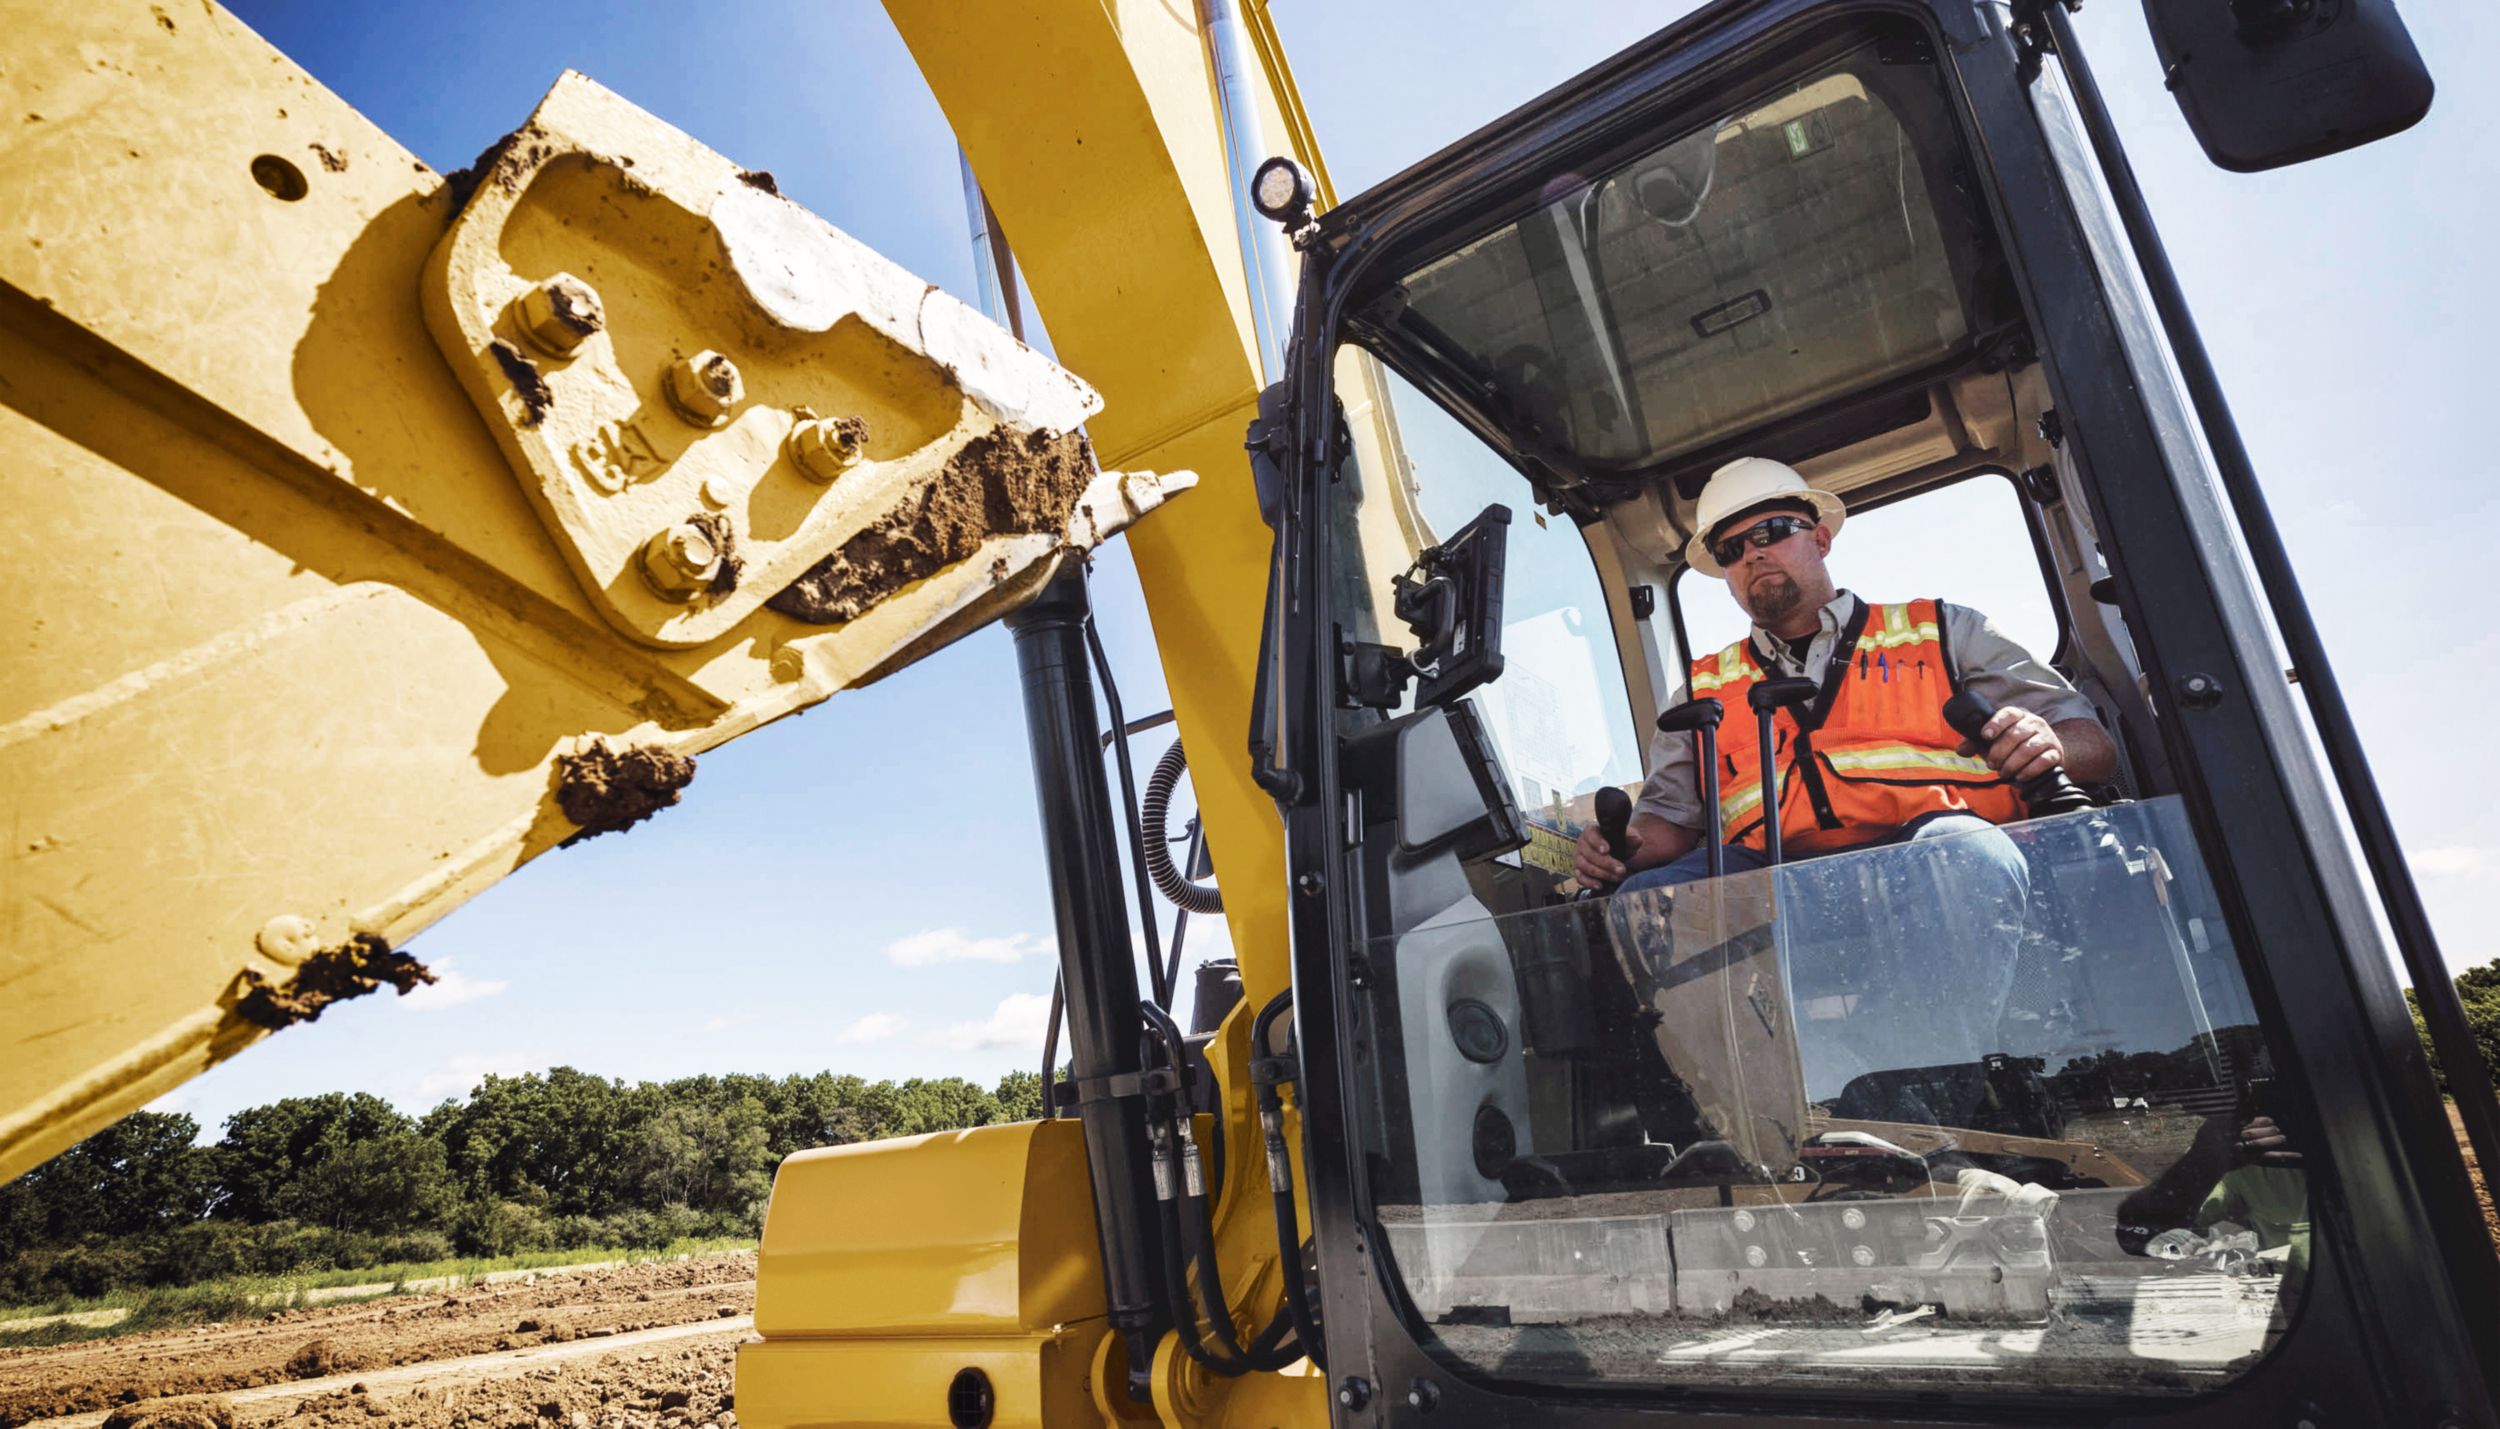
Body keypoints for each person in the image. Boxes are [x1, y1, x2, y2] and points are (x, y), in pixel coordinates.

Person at [1576, 456, 2118, 1102]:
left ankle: (1918, 1100)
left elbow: (2093, 745)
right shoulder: (1703, 690)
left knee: (1965, 854)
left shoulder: (1944, 631)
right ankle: (1760, 1108)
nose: (1752, 555)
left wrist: (2050, 741)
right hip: (1778, 882)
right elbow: (1666, 825)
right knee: (1651, 897)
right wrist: (1618, 848)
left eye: (1772, 530)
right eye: (1730, 548)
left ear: (1821, 536)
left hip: (1924, 862)